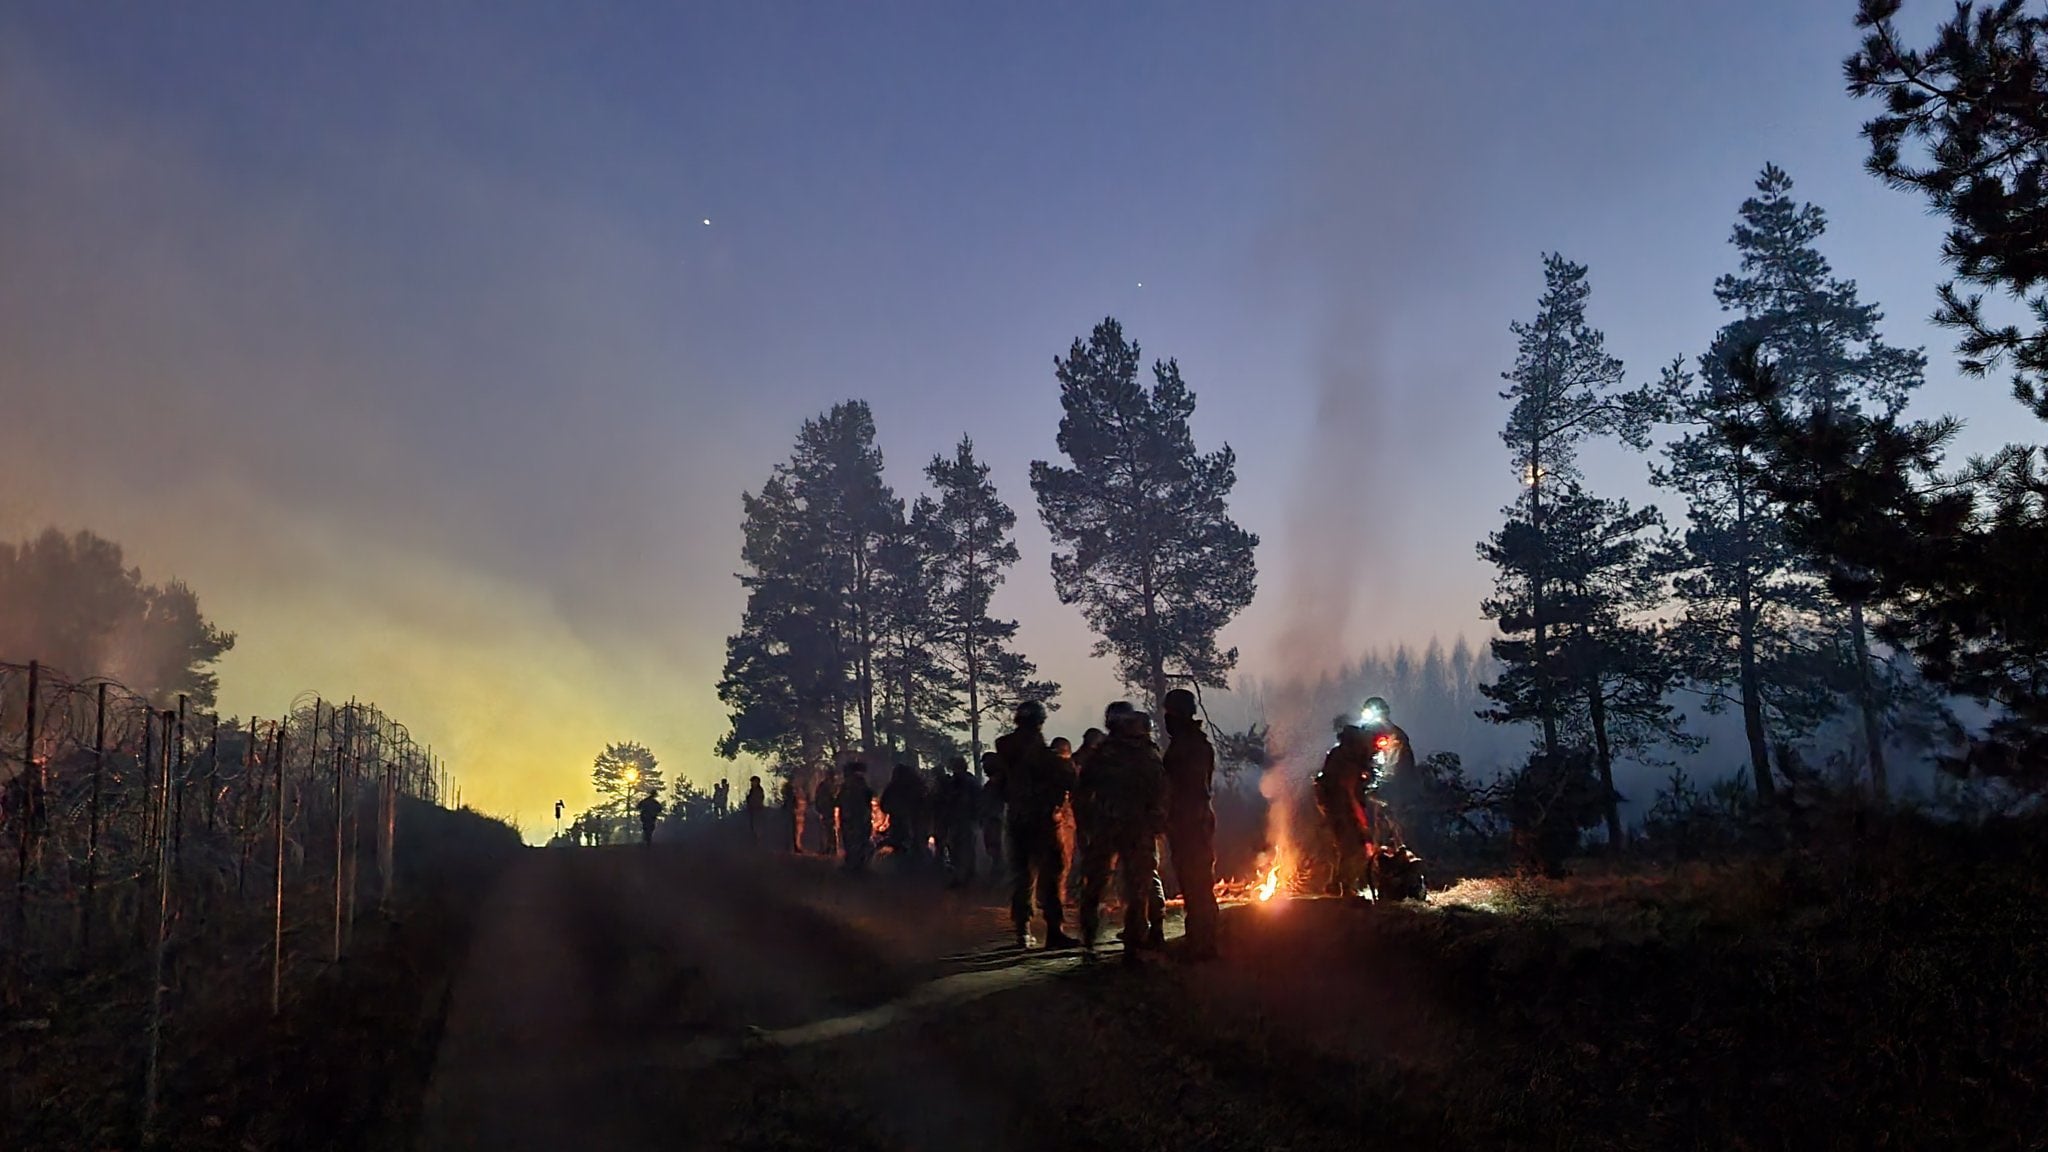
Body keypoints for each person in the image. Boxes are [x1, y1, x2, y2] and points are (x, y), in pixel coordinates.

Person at [1075, 702, 1168, 965]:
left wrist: (1086, 825)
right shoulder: (1141, 753)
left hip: (1112, 827)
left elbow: (1082, 793)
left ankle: (1094, 942)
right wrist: (1156, 820)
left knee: (1102, 885)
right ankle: (1134, 942)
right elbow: (1160, 790)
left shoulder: (1102, 754)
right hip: (1130, 828)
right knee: (1137, 885)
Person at [996, 700, 1078, 949]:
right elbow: (1069, 780)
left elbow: (1001, 786)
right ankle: (1054, 931)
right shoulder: (1042, 755)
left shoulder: (1005, 749)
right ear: (1040, 722)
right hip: (1043, 821)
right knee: (1052, 875)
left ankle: (1022, 931)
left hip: (1016, 819)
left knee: (1022, 878)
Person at [1162, 688, 1220, 960]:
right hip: (1189, 820)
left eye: (1170, 713)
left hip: (1191, 821)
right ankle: (1200, 939)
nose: (1167, 719)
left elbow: (1189, 787)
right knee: (1193, 881)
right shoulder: (1189, 743)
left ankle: (1204, 943)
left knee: (1196, 881)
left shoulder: (1190, 747)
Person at [838, 762, 875, 871]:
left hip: (851, 818)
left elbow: (840, 800)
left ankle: (853, 863)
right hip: (859, 817)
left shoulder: (848, 785)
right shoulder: (861, 784)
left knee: (852, 841)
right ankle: (859, 864)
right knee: (859, 840)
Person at [812, 769, 840, 856]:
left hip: (828, 810)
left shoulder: (829, 785)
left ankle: (830, 848)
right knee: (827, 829)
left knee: (829, 829)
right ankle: (828, 847)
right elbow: (819, 798)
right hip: (826, 810)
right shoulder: (826, 786)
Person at [744, 775, 766, 845]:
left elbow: (759, 799)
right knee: (752, 824)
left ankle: (758, 838)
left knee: (757, 824)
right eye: (752, 782)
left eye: (754, 782)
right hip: (752, 809)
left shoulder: (759, 790)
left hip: (757, 809)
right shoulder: (752, 790)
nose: (752, 783)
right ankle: (753, 837)